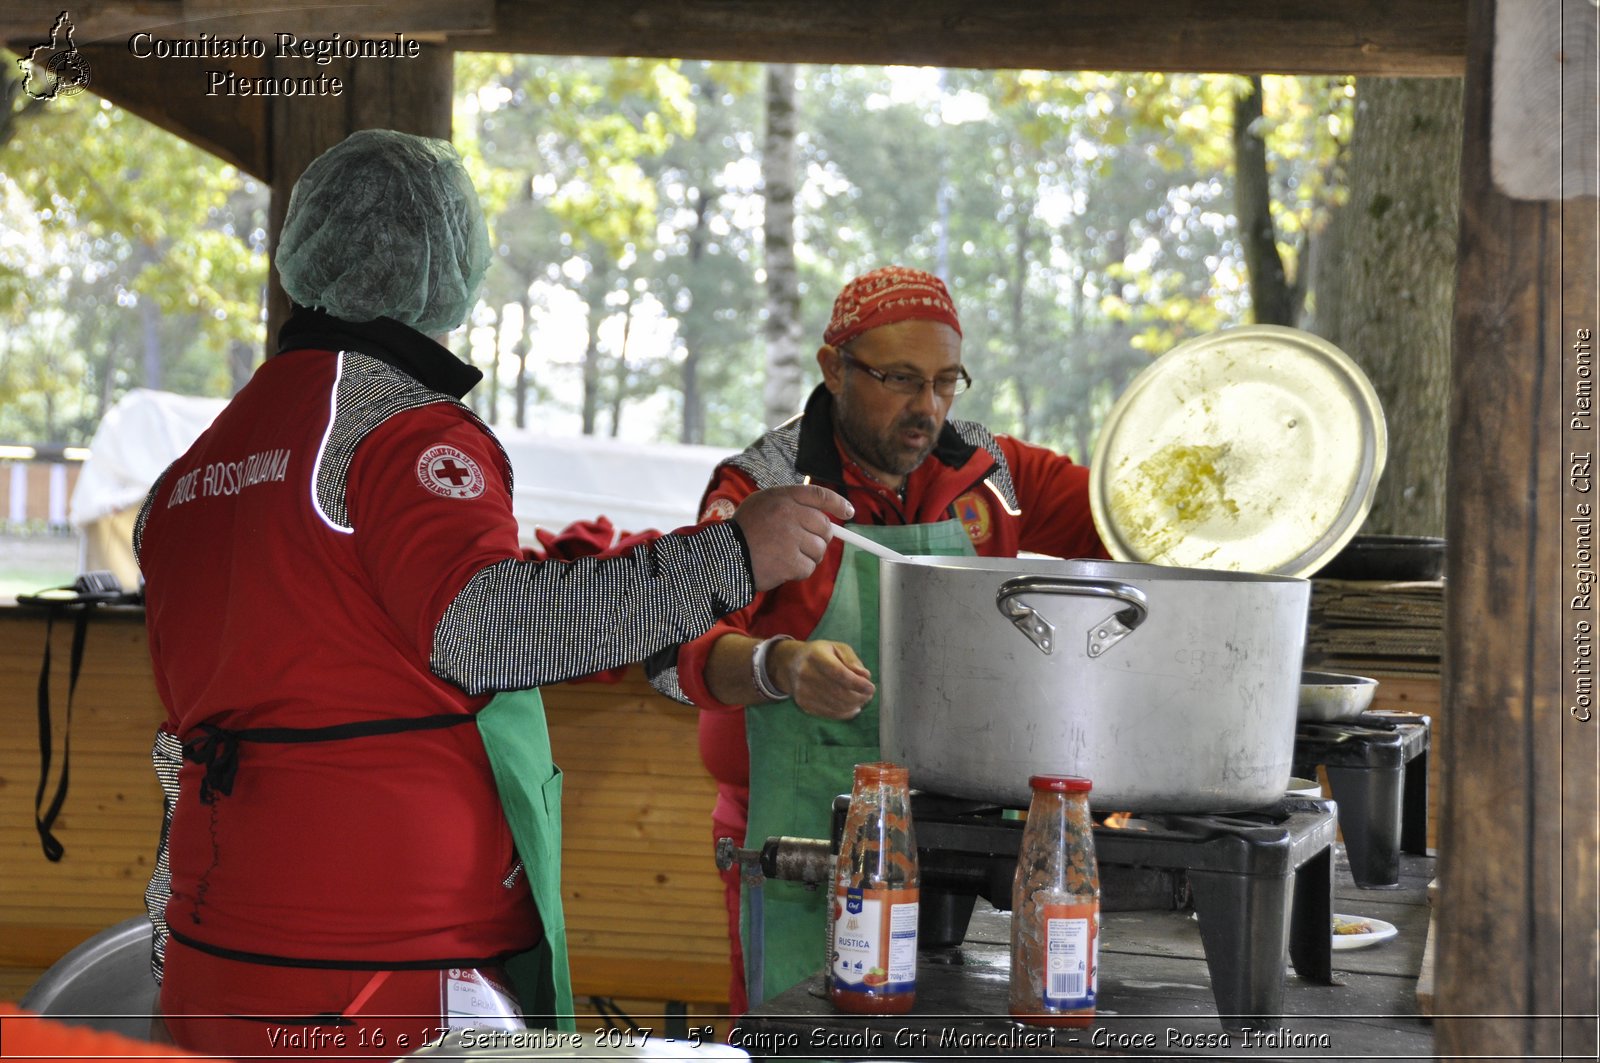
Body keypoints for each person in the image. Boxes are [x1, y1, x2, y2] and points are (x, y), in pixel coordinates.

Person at [133, 128, 851, 1057]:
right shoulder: (399, 431)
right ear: (442, 258)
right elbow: (484, 625)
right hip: (372, 972)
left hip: (216, 943)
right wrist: (730, 557)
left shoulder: (199, 466)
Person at [647, 266, 1110, 1012]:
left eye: (946, 381)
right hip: (799, 840)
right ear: (835, 368)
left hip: (960, 839)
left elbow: (1126, 518)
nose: (926, 408)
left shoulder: (993, 475)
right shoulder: (764, 488)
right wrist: (781, 663)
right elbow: (675, 654)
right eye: (899, 379)